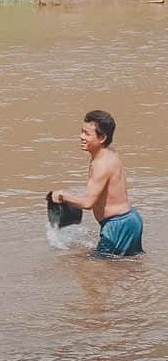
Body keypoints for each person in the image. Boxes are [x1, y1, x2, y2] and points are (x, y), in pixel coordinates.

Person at [52, 109, 143, 257]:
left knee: (92, 272)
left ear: (102, 138)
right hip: (130, 220)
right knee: (125, 266)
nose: (81, 137)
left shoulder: (100, 164)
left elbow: (88, 203)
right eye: (81, 131)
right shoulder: (110, 152)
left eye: (87, 134)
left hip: (117, 225)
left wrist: (62, 196)